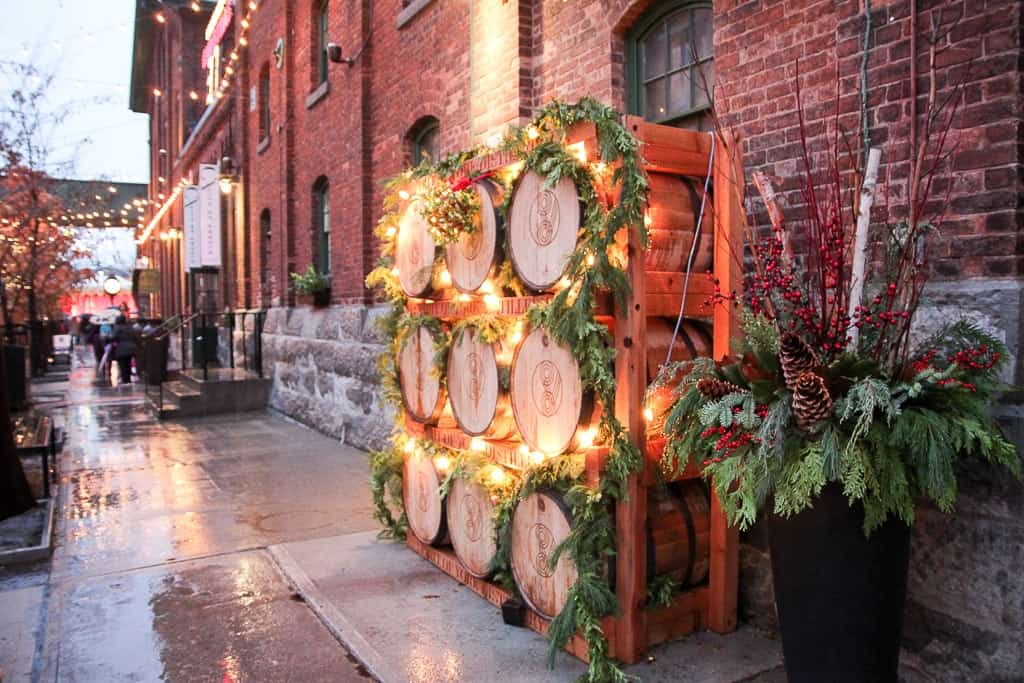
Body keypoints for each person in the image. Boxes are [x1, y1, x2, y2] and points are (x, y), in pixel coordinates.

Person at [111, 315, 137, 385]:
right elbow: (135, 336)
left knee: (123, 365)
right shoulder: (130, 327)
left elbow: (114, 337)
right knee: (128, 364)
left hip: (121, 349)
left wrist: (107, 338)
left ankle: (125, 381)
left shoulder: (117, 327)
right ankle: (128, 380)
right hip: (131, 348)